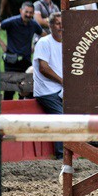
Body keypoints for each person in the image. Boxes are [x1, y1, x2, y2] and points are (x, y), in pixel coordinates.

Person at [33, 12, 64, 159]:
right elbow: (43, 68)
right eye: (58, 23)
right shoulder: (44, 42)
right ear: (50, 26)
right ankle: (61, 155)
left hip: (61, 89)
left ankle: (94, 143)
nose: (61, 26)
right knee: (61, 119)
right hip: (46, 91)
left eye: (63, 23)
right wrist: (62, 81)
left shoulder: (66, 43)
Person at [0, 1, 43, 100]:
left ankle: (25, 108)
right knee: (9, 91)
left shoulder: (33, 24)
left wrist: (35, 46)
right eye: (26, 12)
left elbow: (43, 34)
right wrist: (2, 44)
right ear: (20, 11)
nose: (28, 15)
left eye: (31, 13)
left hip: (26, 60)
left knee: (27, 89)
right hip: (11, 60)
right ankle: (8, 109)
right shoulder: (12, 21)